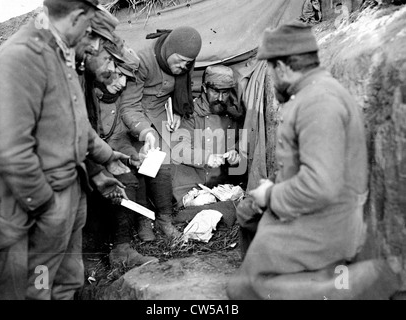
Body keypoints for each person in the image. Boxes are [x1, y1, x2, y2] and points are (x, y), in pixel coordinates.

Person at [0, 0, 130, 300]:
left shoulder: (61, 56)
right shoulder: (23, 57)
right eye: (93, 33)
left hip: (66, 190)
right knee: (36, 285)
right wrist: (45, 205)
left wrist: (104, 157)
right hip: (34, 201)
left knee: (66, 279)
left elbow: (76, 123)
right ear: (75, 17)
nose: (96, 44)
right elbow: (10, 150)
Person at [227, 21, 373, 299]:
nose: (271, 76)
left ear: (282, 67)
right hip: (318, 215)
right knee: (247, 215)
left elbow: (321, 185)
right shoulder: (315, 93)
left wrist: (269, 194)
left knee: (242, 291)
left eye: (270, 69)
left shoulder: (319, 103)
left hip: (325, 227)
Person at [80, 10, 158, 268]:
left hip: (89, 152)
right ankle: (88, 255)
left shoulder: (106, 92)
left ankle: (122, 248)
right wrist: (100, 164)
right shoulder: (78, 83)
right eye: (116, 72)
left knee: (126, 177)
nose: (121, 82)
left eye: (124, 75)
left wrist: (125, 154)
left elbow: (114, 134)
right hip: (66, 158)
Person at [120, 26, 202, 241]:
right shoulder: (143, 60)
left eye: (188, 63)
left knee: (161, 168)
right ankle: (144, 221)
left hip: (158, 116)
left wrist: (176, 111)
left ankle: (164, 220)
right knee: (140, 171)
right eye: (180, 60)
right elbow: (128, 106)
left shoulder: (186, 63)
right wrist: (145, 131)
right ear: (169, 50)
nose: (183, 66)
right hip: (133, 119)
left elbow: (182, 91)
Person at [171, 65, 245, 207]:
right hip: (189, 185)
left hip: (219, 184)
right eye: (216, 92)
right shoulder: (189, 114)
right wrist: (207, 158)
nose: (221, 98)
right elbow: (179, 150)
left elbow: (241, 143)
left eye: (225, 92)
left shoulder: (232, 115)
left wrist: (236, 153)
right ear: (204, 88)